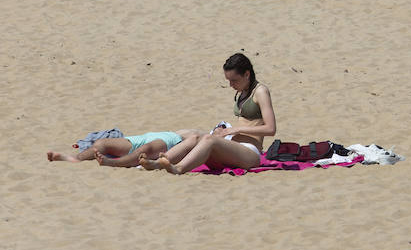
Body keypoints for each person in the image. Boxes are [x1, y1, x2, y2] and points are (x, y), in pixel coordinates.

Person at [140, 53, 275, 174]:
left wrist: (235, 129)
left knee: (208, 139)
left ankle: (179, 168)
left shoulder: (261, 91)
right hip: (233, 145)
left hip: (250, 152)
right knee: (194, 137)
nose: (231, 85)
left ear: (247, 74)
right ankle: (160, 162)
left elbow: (271, 129)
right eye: (228, 81)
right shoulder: (243, 91)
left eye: (234, 80)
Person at [47, 130, 198, 167]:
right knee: (102, 144)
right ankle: (75, 158)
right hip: (151, 136)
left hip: (172, 141)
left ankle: (112, 163)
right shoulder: (215, 129)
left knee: (144, 150)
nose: (221, 127)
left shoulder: (204, 136)